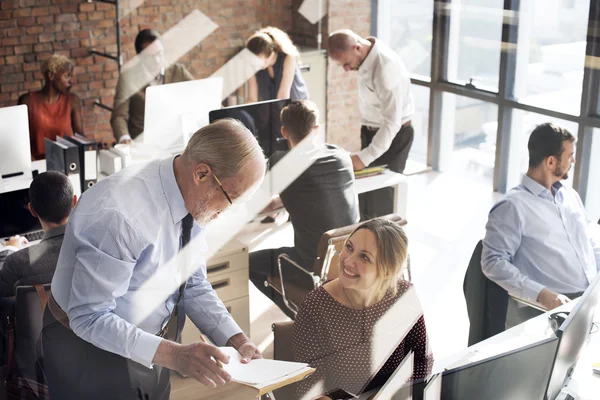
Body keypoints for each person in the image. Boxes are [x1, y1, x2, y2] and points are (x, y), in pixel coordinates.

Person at [44, 119, 266, 399]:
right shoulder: (120, 217)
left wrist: (237, 340)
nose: (227, 211)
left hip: (150, 345)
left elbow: (192, 284)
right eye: (231, 198)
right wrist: (175, 356)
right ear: (202, 174)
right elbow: (89, 316)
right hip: (86, 349)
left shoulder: (192, 198)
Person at [293, 218, 433, 399]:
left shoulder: (403, 294)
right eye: (349, 247)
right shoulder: (314, 307)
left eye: (364, 257)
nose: (348, 261)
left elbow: (422, 359)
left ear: (387, 271)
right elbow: (309, 389)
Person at [482, 123, 600, 328]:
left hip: (588, 300)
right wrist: (542, 294)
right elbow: (492, 262)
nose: (573, 160)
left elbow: (586, 238)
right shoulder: (513, 206)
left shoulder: (570, 195)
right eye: (570, 155)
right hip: (546, 311)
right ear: (551, 161)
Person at [249, 100, 359, 318]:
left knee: (249, 264)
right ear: (316, 129)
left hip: (310, 266)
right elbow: (315, 193)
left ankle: (304, 319)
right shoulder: (341, 156)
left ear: (283, 131)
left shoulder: (282, 162)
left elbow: (254, 201)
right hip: (352, 258)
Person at [328, 29, 414, 219]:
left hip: (394, 135)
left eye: (347, 64)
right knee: (367, 194)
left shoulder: (385, 67)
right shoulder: (364, 57)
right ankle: (365, 240)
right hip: (372, 130)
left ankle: (387, 246)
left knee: (383, 196)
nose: (346, 69)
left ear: (357, 47)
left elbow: (392, 122)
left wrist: (364, 157)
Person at [111, 29, 194, 145]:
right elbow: (119, 115)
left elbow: (201, 94)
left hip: (176, 139)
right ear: (140, 56)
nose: (157, 60)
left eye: (159, 53)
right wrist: (124, 137)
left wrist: (223, 115)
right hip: (143, 142)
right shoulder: (128, 78)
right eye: (150, 56)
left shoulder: (178, 71)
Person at [0, 171, 76, 296]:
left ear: (32, 210)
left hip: (43, 315)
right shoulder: (98, 244)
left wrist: (10, 248)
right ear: (74, 201)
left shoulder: (16, 262)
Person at [18, 54, 83, 160]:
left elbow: (80, 136)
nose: (71, 81)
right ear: (51, 76)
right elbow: (19, 140)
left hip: (65, 162)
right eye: (67, 76)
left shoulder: (72, 100)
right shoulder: (27, 101)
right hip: (36, 164)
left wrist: (94, 147)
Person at [246, 26, 309, 103]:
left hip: (296, 104)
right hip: (275, 107)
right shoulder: (252, 65)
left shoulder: (288, 57)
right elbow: (252, 98)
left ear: (271, 55)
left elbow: (283, 96)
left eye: (258, 61)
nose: (255, 64)